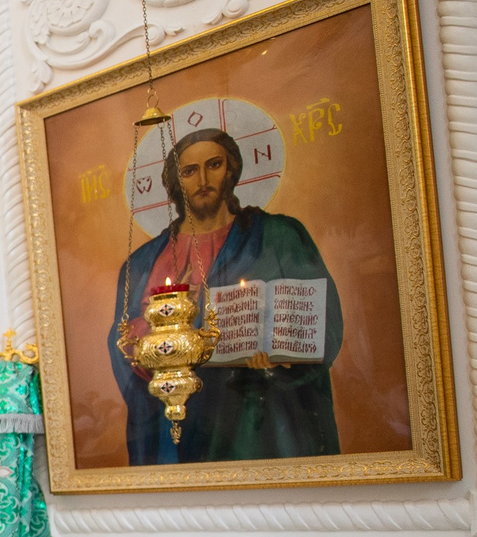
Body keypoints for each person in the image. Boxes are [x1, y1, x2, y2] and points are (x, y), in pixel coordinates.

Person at [109, 124, 344, 464]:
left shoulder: (277, 237)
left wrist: (278, 362)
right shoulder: (144, 261)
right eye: (189, 171)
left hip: (253, 423)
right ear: (176, 182)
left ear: (231, 170)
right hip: (170, 427)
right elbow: (120, 340)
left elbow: (324, 324)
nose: (203, 179)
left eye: (214, 165)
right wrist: (150, 347)